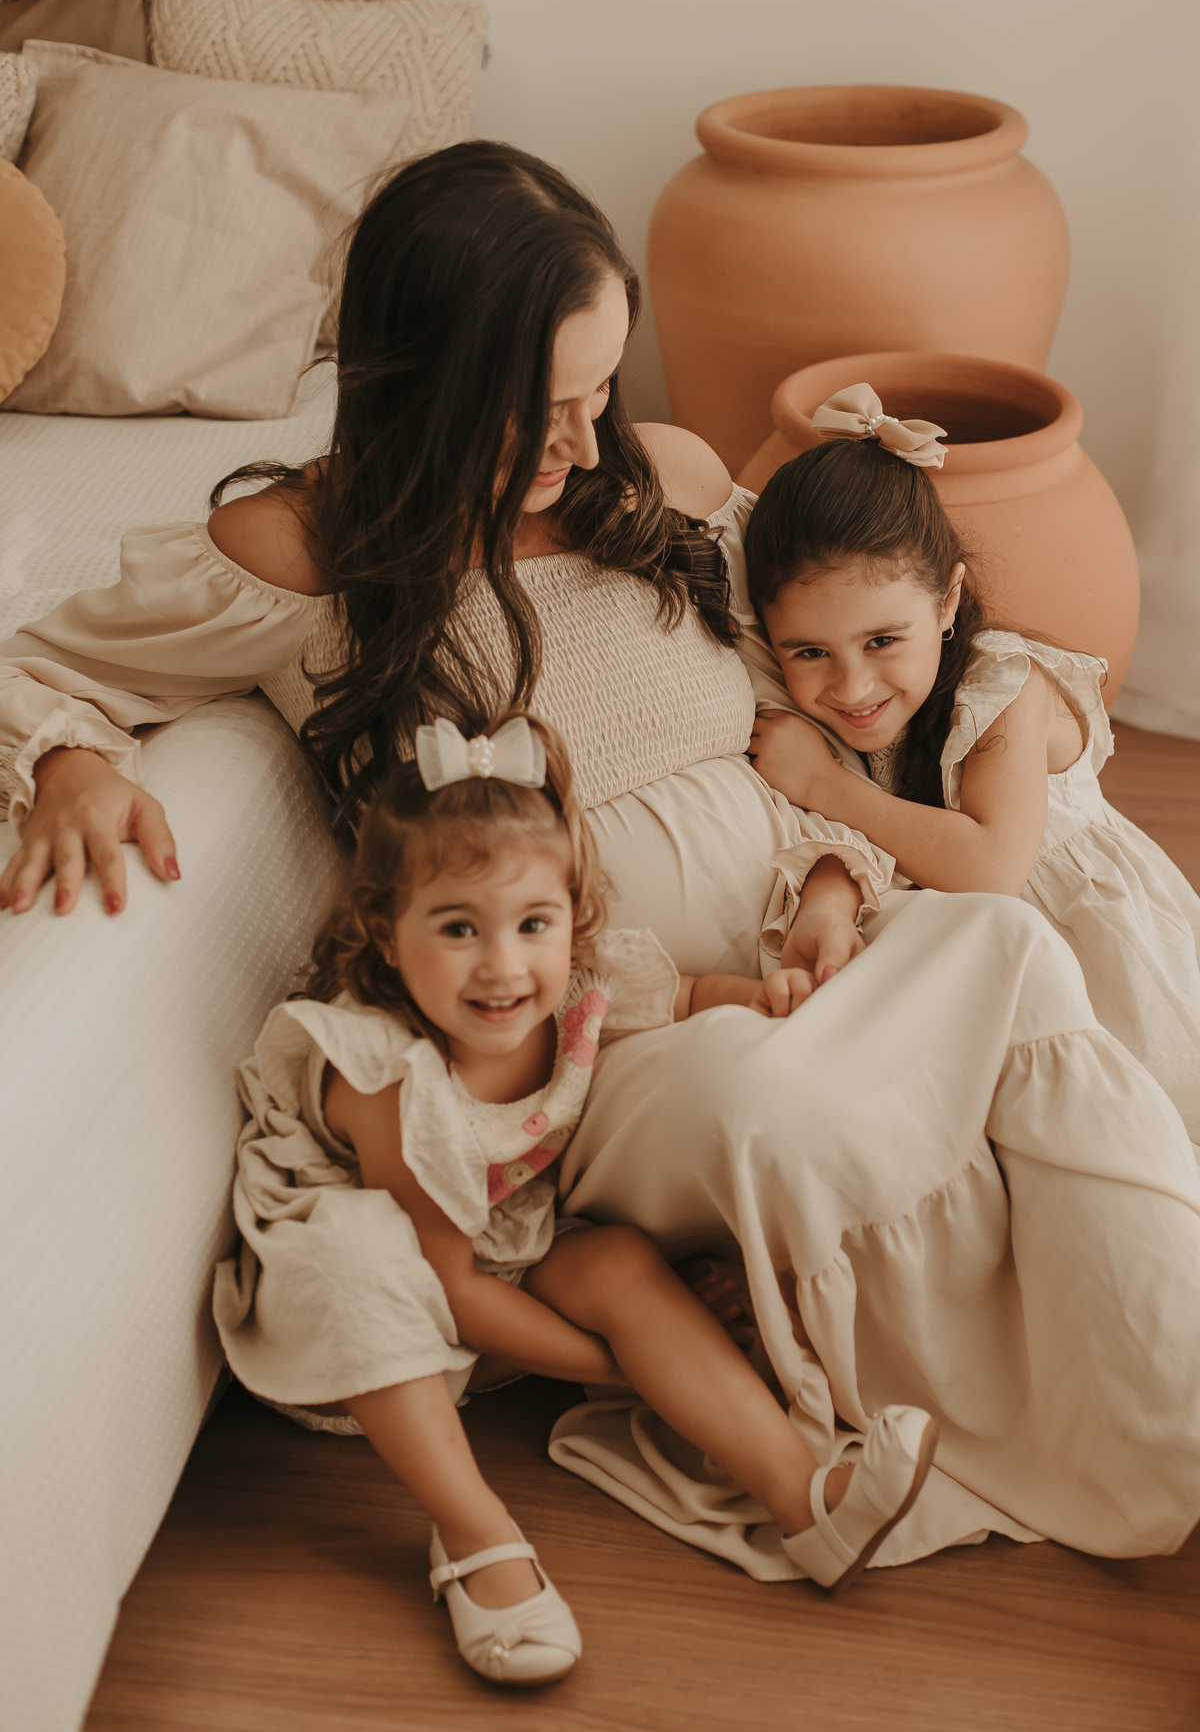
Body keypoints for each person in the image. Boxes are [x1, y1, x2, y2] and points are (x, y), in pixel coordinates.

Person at [1, 145, 1198, 1569]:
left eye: (599, 390)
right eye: (538, 409)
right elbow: (41, 659)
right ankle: (994, 1443)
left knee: (1010, 946)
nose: (580, 442)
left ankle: (1169, 1394)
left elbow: (794, 713)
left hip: (809, 950)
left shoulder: (665, 487)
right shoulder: (303, 550)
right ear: (428, 384)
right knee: (777, 1107)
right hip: (611, 1041)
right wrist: (70, 761)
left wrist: (830, 885)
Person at [215, 708, 937, 1683]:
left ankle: (805, 1499)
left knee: (617, 1262)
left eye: (532, 925)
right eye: (458, 929)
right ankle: (476, 1536)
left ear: (571, 916)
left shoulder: (578, 989)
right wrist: (626, 1369)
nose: (503, 965)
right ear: (386, 934)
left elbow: (685, 994)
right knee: (361, 1255)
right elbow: (447, 1289)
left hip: (502, 1256)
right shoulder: (385, 1073)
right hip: (376, 1326)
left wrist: (762, 1000)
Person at [743, 383, 1200, 1142]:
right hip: (991, 971)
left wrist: (823, 782)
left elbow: (991, 868)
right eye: (811, 652)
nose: (852, 687)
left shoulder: (1006, 687)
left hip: (1098, 953)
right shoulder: (839, 714)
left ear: (949, 600)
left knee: (1153, 1132)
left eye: (883, 640)